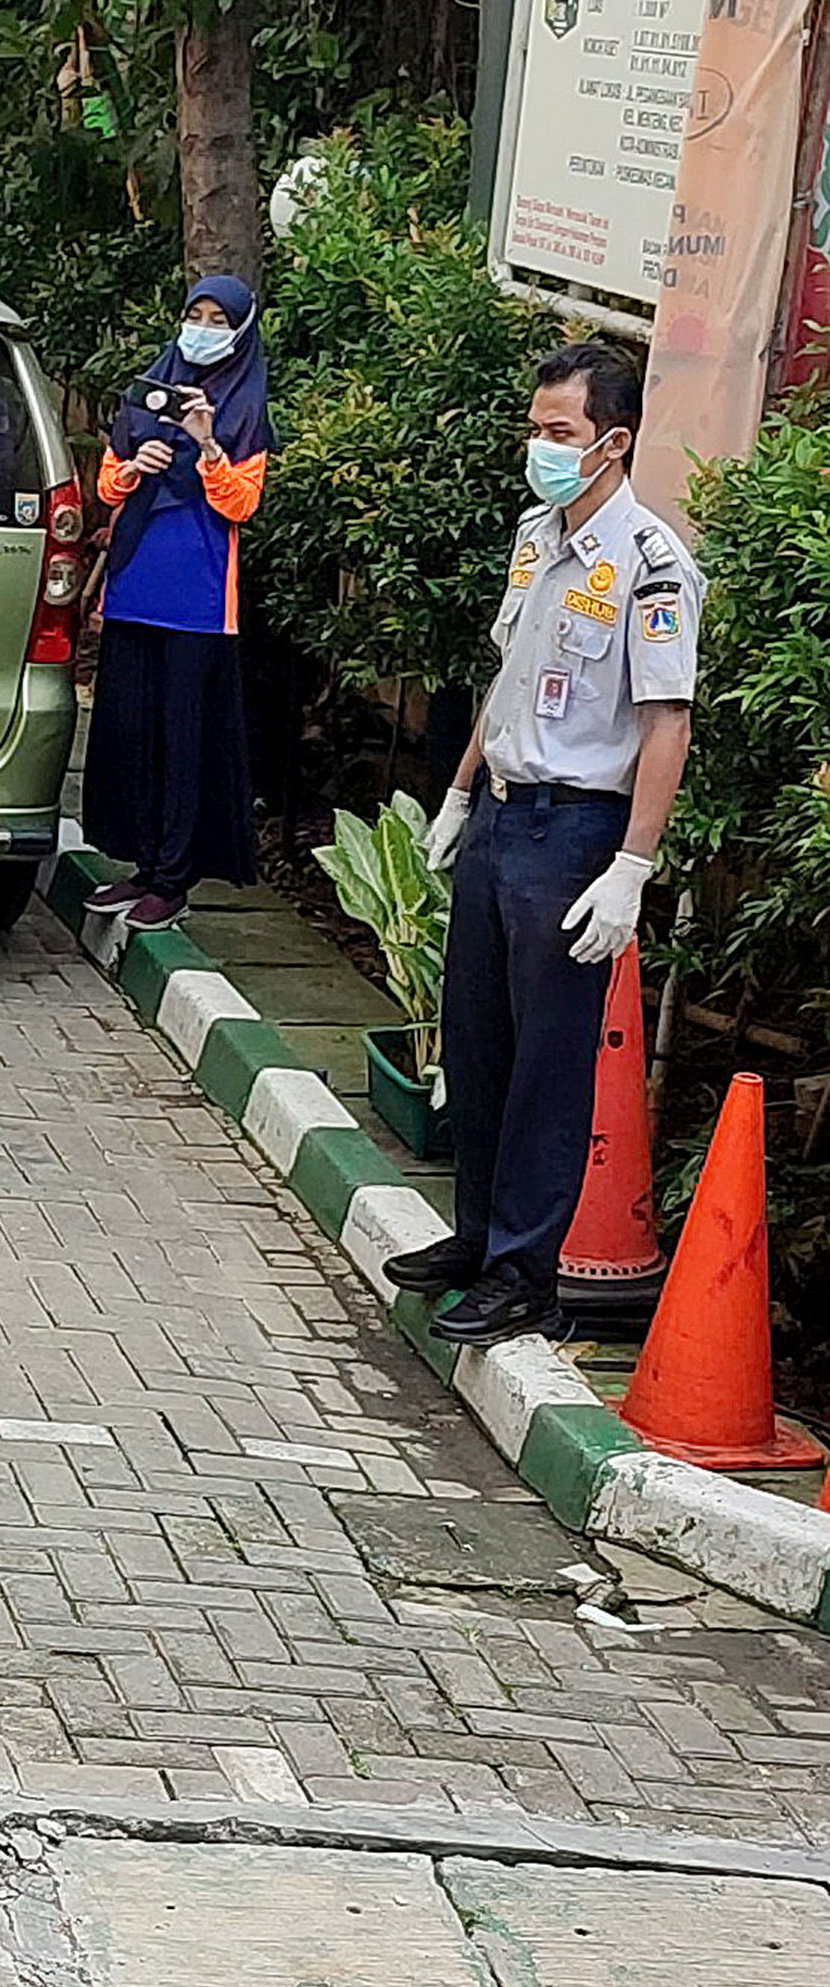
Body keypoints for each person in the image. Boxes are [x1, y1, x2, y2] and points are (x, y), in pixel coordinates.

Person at [389, 342, 702, 1345]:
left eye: (558, 433)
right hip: (501, 812)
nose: (540, 447)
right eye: (535, 429)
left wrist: (631, 867)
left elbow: (665, 722)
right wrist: (456, 788)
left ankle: (524, 1269)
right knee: (475, 1039)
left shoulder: (650, 563)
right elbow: (512, 673)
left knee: (546, 1060)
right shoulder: (537, 534)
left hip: (574, 829)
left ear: (612, 442)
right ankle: (475, 1236)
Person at [85, 275, 271, 931]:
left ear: (243, 331)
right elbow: (107, 486)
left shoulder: (246, 407)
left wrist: (209, 444)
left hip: (198, 601)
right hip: (136, 585)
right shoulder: (147, 390)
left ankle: (174, 878)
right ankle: (140, 866)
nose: (205, 327)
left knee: (184, 739)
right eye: (197, 314)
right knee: (133, 733)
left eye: (221, 319)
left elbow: (241, 504)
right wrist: (137, 464)